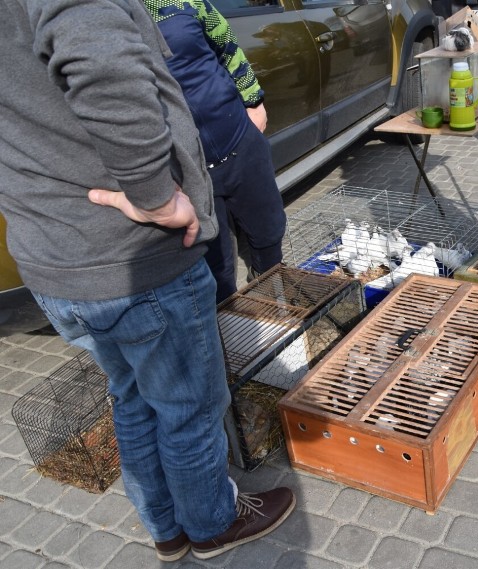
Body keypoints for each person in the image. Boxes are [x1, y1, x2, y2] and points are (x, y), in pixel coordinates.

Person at [0, 0, 294, 562]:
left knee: (133, 398)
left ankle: (167, 529)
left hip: (54, 258)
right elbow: (104, 67)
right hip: (130, 258)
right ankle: (211, 523)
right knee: (188, 405)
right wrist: (156, 196)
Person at [145, 0, 287, 304]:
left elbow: (226, 42)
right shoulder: (110, 15)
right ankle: (233, 329)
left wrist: (253, 100)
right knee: (217, 266)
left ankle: (273, 304)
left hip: (239, 140)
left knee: (269, 234)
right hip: (188, 168)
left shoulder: (181, 2)